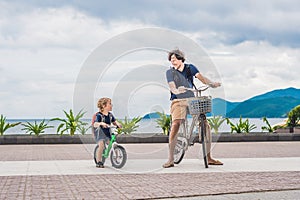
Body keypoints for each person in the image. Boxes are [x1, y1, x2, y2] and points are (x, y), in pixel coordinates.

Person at [163, 48, 223, 168]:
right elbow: (172, 87)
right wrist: (177, 90)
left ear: (181, 59)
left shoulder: (190, 68)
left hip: (192, 99)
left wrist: (212, 84)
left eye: (175, 59)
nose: (173, 61)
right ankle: (170, 159)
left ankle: (209, 157)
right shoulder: (170, 72)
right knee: (176, 123)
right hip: (178, 100)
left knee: (205, 124)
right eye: (171, 60)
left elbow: (201, 78)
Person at [92, 97, 121, 168]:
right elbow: (95, 124)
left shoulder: (110, 115)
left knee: (113, 144)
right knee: (101, 145)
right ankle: (99, 161)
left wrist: (118, 124)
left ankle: (115, 160)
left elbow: (114, 121)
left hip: (108, 133)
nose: (111, 105)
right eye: (110, 104)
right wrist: (101, 123)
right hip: (100, 134)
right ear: (104, 106)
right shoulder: (99, 115)